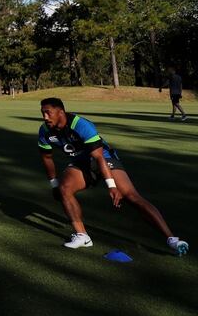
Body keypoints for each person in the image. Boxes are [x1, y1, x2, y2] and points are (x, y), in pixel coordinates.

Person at [37, 97, 188, 255]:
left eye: (48, 113)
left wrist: (112, 187)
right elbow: (47, 158)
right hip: (81, 163)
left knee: (131, 197)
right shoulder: (45, 131)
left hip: (104, 158)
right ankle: (82, 236)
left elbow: (99, 157)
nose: (45, 117)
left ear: (60, 112)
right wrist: (54, 184)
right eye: (43, 113)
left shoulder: (81, 125)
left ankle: (172, 239)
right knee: (64, 189)